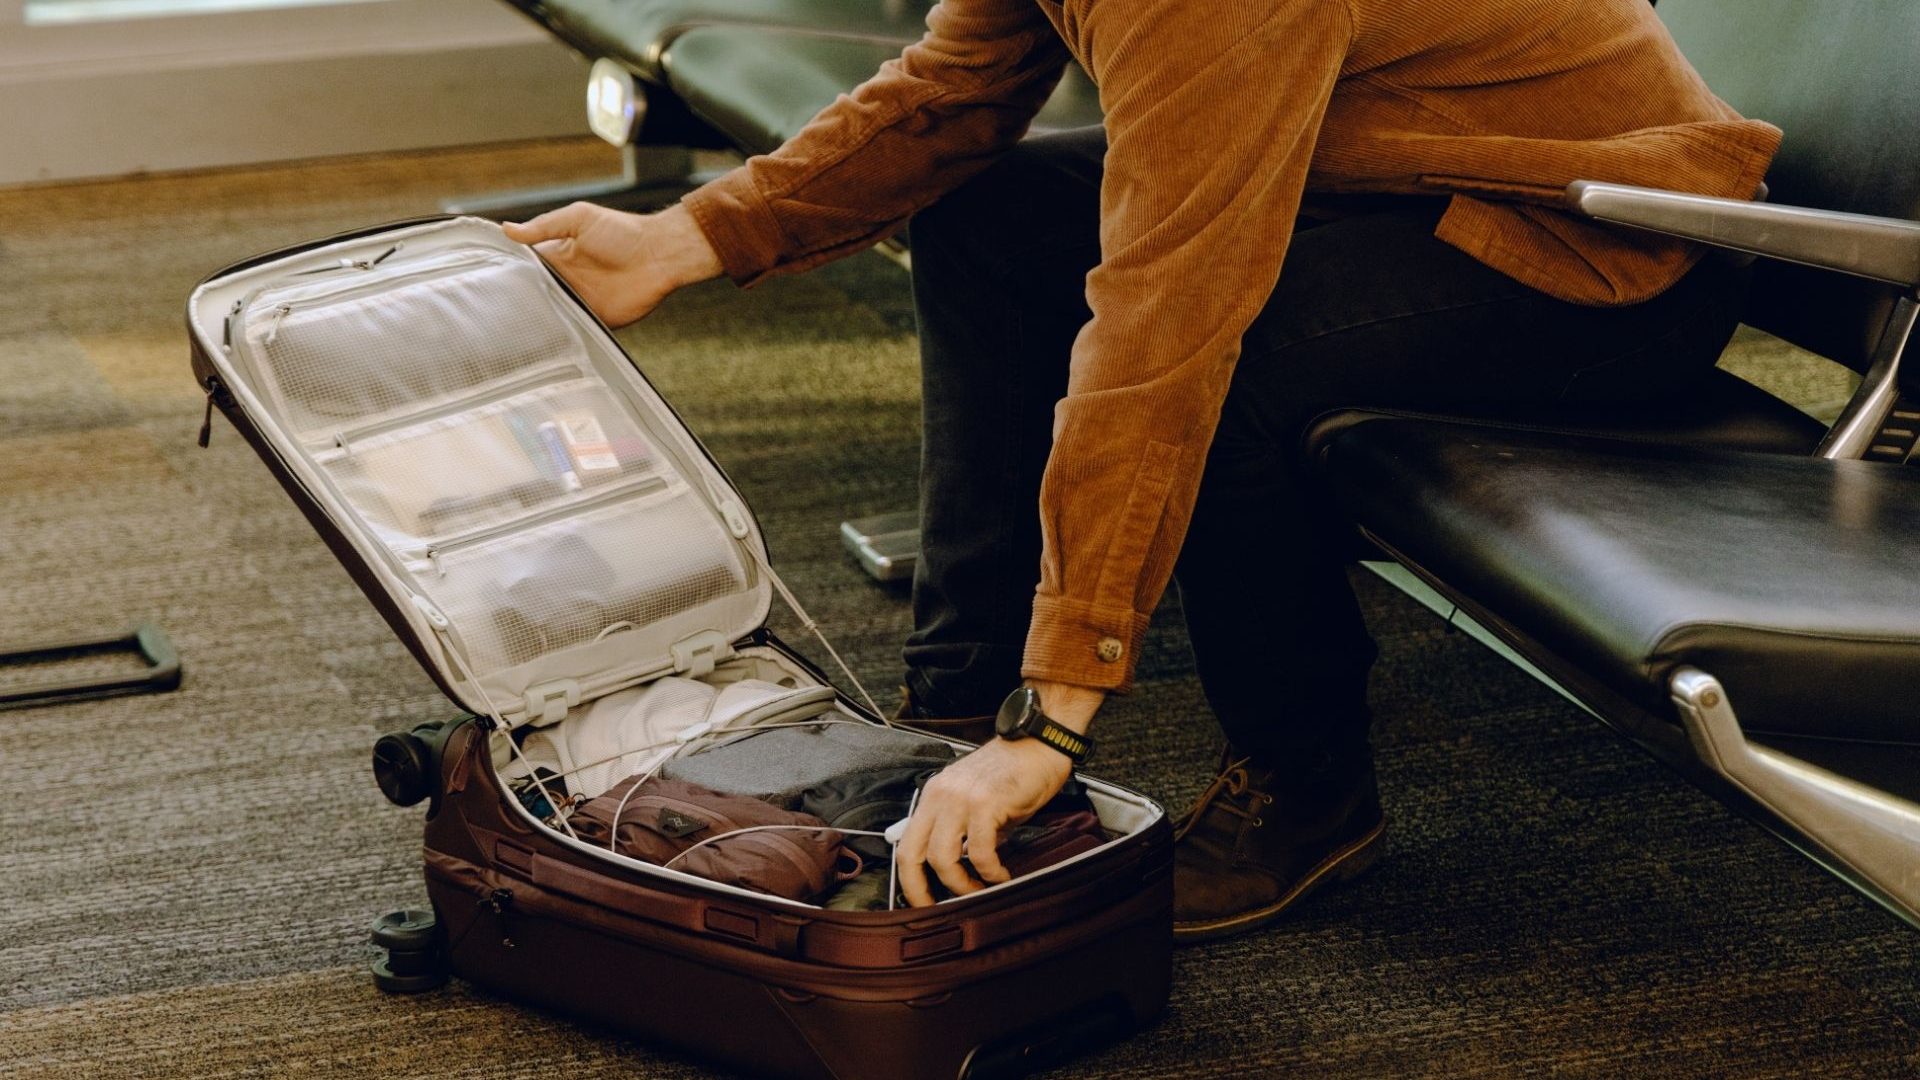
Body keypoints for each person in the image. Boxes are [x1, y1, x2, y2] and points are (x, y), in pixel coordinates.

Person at [503, 0, 1779, 937]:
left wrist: (1061, 711)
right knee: (989, 213)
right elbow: (954, 94)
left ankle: (1306, 794)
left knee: (1229, 367)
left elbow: (1166, 326)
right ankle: (952, 701)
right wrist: (690, 235)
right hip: (1386, 181)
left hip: (1596, 247)